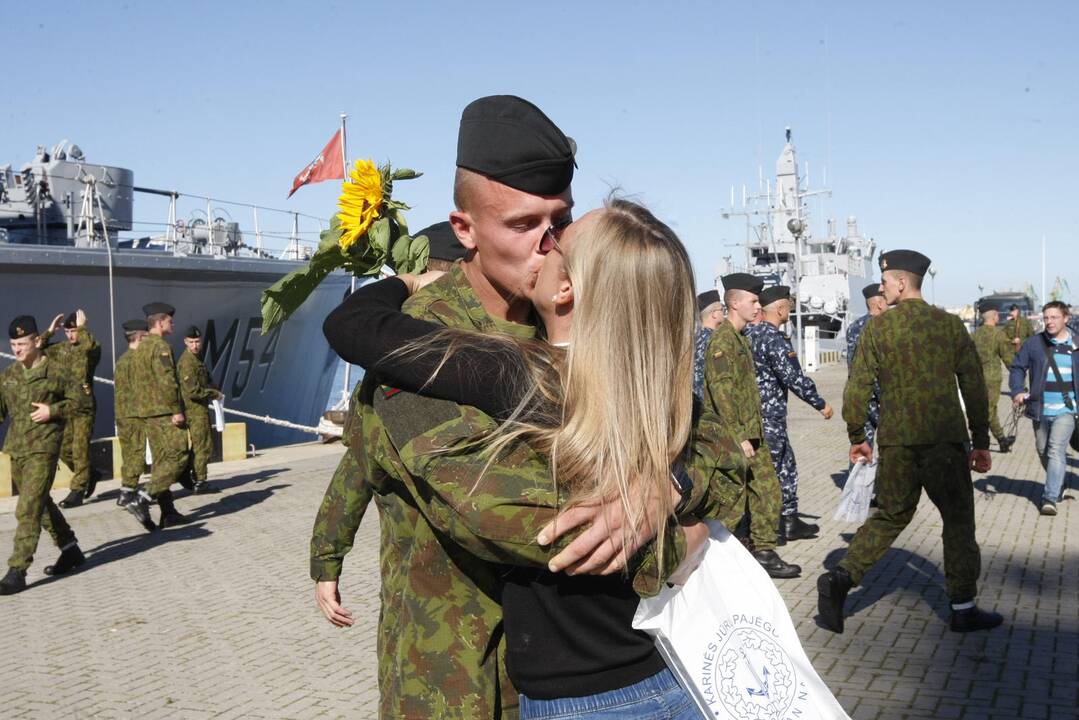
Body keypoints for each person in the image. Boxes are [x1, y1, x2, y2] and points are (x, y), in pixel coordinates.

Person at [311, 97, 715, 718]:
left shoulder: (586, 317)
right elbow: (514, 518)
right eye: (524, 225)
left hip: (592, 676)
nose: (550, 243)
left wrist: (668, 484)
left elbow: (717, 443)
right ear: (465, 229)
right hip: (458, 676)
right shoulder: (420, 345)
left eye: (561, 220)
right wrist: (673, 523)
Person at [818, 249, 1002, 634]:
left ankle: (840, 579)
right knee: (957, 521)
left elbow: (857, 390)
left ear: (902, 283)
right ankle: (963, 607)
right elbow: (974, 385)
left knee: (889, 515)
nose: (882, 290)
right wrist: (981, 440)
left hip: (898, 443)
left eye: (885, 283)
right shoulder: (949, 326)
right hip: (944, 444)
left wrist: (858, 438)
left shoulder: (878, 329)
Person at [701, 273, 800, 578]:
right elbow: (721, 392)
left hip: (752, 435)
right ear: (734, 303)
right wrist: (739, 436)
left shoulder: (742, 339)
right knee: (730, 506)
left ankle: (764, 553)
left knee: (768, 492)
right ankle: (708, 564)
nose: (759, 306)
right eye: (753, 301)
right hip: (732, 439)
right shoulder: (723, 341)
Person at [0, 315, 88, 595]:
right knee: (40, 503)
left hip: (45, 448)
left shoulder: (57, 371)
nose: (16, 349)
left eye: (22, 343)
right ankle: (70, 548)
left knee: (27, 508)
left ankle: (17, 570)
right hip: (17, 449)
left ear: (37, 341)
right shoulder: (9, 375)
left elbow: (81, 403)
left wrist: (54, 411)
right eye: (13, 344)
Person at [744, 285, 833, 543]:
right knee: (771, 473)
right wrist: (820, 403)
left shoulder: (749, 333)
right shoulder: (774, 338)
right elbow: (793, 377)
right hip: (769, 417)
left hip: (757, 415)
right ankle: (767, 531)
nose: (790, 311)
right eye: (788, 307)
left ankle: (789, 521)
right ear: (780, 309)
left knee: (786, 467)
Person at [124, 302, 189, 532]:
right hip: (163, 413)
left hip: (147, 415)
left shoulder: (139, 349)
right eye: (170, 321)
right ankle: (143, 497)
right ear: (160, 323)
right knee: (179, 456)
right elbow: (167, 380)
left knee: (161, 461)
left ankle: (168, 512)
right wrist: (176, 410)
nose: (173, 324)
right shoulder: (160, 346)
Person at [1009, 301, 1078, 516]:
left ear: (1066, 318)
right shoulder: (1034, 343)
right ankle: (1057, 482)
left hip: (1067, 409)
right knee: (1042, 449)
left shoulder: (1077, 343)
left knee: (1056, 449)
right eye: (1046, 318)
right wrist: (1018, 390)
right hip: (1039, 408)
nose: (1049, 322)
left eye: (1054, 317)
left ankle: (1050, 497)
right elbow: (1018, 367)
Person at [42, 310, 102, 508]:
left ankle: (77, 490)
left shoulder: (88, 348)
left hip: (84, 407)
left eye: (74, 330)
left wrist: (84, 328)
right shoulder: (60, 349)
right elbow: (37, 348)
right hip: (64, 407)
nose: (70, 335)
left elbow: (91, 347)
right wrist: (50, 331)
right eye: (67, 331)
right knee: (64, 449)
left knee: (79, 448)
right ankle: (90, 473)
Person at [178, 325, 223, 494]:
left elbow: (204, 377)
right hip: (194, 410)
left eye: (197, 341)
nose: (195, 345)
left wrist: (212, 384)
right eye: (192, 342)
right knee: (202, 445)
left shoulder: (197, 357)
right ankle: (200, 481)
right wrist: (214, 393)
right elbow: (193, 391)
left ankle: (188, 475)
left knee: (203, 444)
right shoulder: (187, 362)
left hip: (200, 409)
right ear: (185, 342)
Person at [845, 284, 888, 447]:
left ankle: (857, 472)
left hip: (861, 396)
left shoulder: (853, 327)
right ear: (879, 303)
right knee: (891, 445)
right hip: (881, 396)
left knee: (862, 445)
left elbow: (852, 363)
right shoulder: (883, 326)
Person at [113, 318, 149, 506]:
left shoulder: (122, 360)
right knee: (136, 454)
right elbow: (141, 390)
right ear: (141, 338)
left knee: (128, 454)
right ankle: (127, 492)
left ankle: (127, 489)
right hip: (135, 415)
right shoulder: (137, 360)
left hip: (123, 415)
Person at [971, 308, 1015, 453]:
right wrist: (1018, 380)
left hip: (975, 378)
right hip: (992, 379)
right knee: (989, 411)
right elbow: (1008, 359)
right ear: (995, 316)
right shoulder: (999, 334)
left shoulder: (974, 334)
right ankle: (997, 440)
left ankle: (998, 440)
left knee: (984, 410)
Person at [693, 289, 722, 399]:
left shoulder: (694, 339)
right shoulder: (715, 340)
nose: (723, 313)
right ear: (714, 314)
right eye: (721, 310)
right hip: (711, 403)